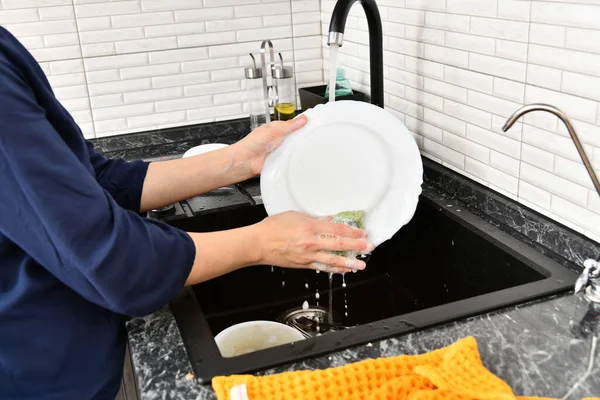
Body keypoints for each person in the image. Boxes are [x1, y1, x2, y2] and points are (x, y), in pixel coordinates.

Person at [0, 27, 373, 400]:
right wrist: (261, 242)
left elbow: (94, 180)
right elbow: (114, 263)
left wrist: (240, 159)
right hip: (37, 382)